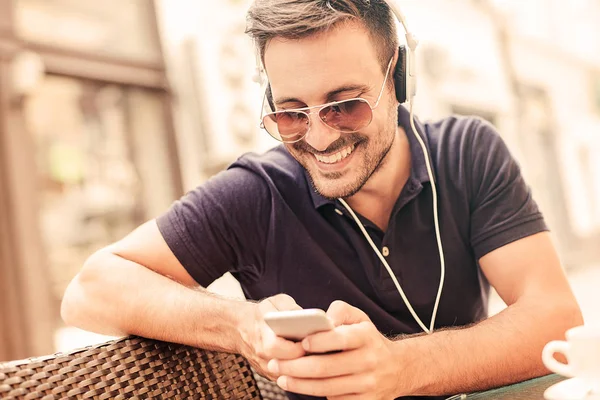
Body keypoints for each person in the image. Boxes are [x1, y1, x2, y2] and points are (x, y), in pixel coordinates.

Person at [61, 1, 583, 399]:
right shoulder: (255, 191)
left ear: (397, 78)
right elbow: (89, 291)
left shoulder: (467, 151)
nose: (318, 138)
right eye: (290, 112)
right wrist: (243, 326)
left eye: (345, 105)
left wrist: (398, 369)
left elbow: (553, 316)